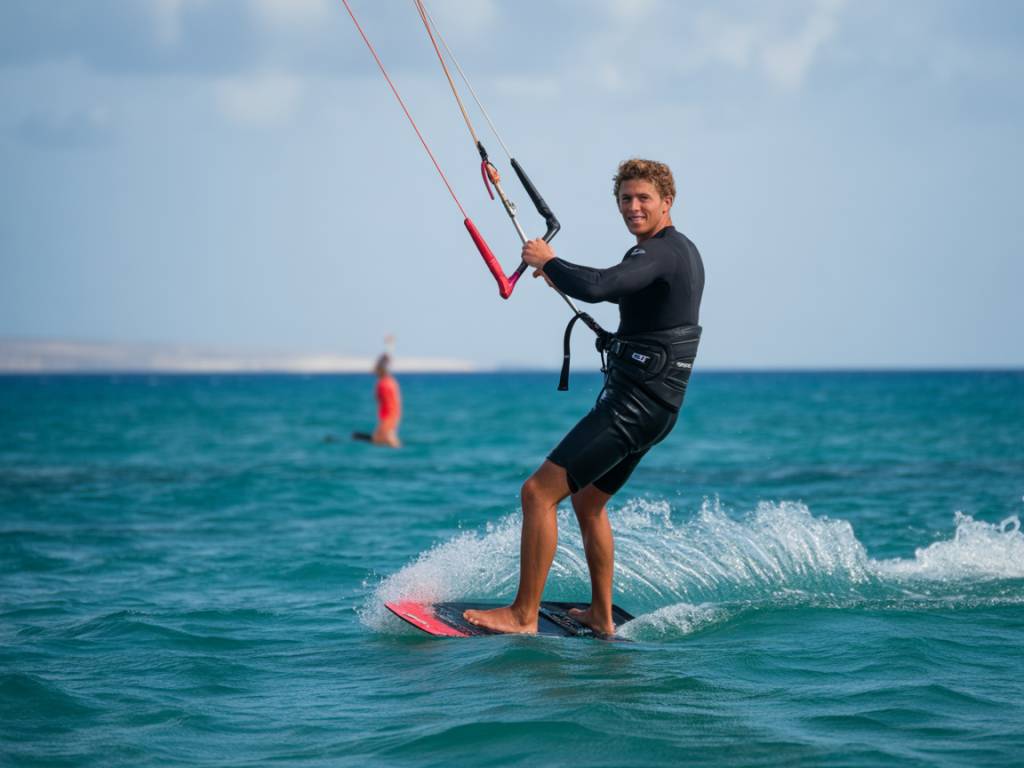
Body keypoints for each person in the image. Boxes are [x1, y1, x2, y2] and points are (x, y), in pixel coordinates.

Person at [464, 158, 704, 636]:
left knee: (537, 493)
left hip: (633, 406)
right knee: (588, 502)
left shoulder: (661, 252)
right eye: (626, 199)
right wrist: (560, 272)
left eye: (644, 199)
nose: (633, 207)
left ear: (667, 202)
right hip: (656, 407)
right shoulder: (673, 253)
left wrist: (548, 260)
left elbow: (600, 286)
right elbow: (616, 289)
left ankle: (522, 615)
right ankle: (601, 614)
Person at [370, 353, 402, 448]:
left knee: (384, 438)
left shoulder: (383, 384)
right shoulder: (392, 382)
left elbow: (379, 398)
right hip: (392, 414)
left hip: (388, 416)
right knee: (378, 439)